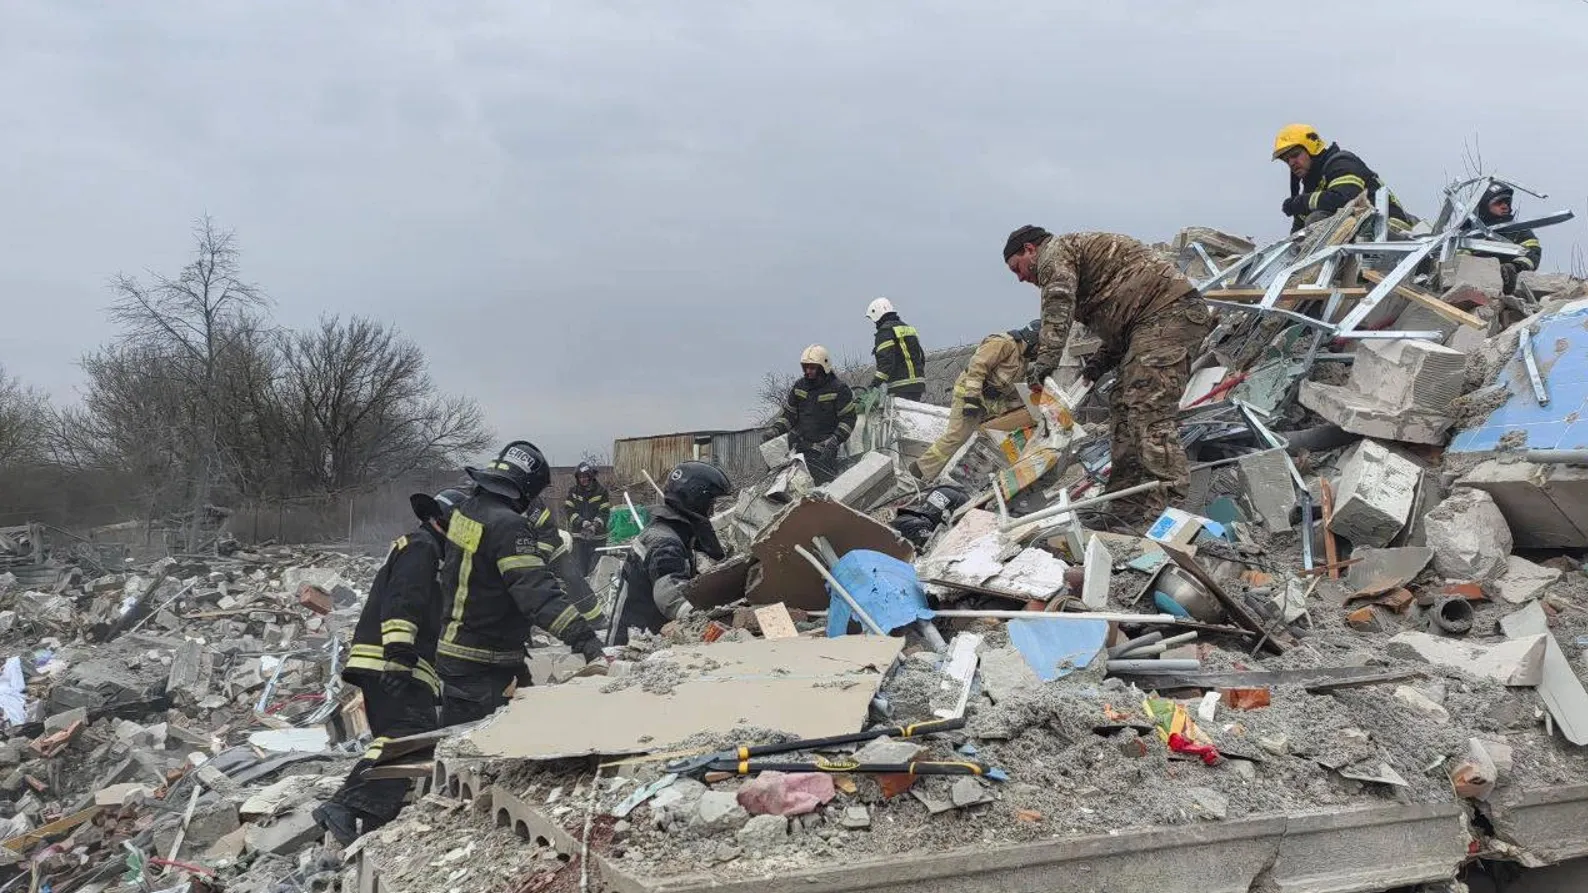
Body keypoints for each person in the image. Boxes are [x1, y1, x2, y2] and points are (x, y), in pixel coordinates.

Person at [1003, 226, 1213, 524]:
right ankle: (1126, 508)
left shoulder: (1054, 255)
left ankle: (1171, 515)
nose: (1021, 277)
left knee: (1146, 407)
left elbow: (1058, 305)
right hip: (1149, 322)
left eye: (1017, 268)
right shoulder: (1080, 261)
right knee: (1123, 409)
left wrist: (1045, 362)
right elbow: (1123, 321)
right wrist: (1098, 364)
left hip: (1169, 314)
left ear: (1030, 250)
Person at [313, 487, 466, 845]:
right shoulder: (422, 547)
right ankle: (346, 805)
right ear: (448, 522)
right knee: (409, 732)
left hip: (392, 662)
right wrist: (398, 655)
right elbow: (404, 600)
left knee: (402, 735)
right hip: (392, 661)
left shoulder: (427, 549)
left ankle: (369, 814)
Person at [435, 440, 607, 726]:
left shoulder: (468, 512)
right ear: (526, 487)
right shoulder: (508, 525)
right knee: (485, 755)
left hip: (460, 653)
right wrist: (586, 640)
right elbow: (538, 595)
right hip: (485, 663)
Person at [608, 461, 732, 645]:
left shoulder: (671, 531)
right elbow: (669, 595)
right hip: (632, 647)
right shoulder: (665, 542)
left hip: (645, 636)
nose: (711, 511)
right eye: (710, 503)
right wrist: (704, 622)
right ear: (697, 500)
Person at [910, 322, 1037, 482]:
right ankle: (920, 471)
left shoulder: (1021, 359)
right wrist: (971, 399)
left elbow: (1010, 390)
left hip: (990, 401)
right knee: (957, 435)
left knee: (994, 434)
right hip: (969, 393)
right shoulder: (1003, 343)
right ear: (1033, 340)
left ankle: (972, 476)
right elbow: (977, 367)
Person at [1272, 124, 1412, 233]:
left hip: (1392, 231)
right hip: (1364, 235)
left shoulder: (1341, 163)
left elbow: (1345, 199)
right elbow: (1298, 233)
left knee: (1317, 219)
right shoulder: (1313, 186)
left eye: (1295, 155)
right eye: (1286, 160)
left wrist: (1300, 202)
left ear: (1312, 148)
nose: (1291, 163)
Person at [761, 345, 857, 485]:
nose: (808, 371)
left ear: (823, 367)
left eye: (812, 368)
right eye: (806, 367)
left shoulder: (839, 389)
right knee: (782, 481)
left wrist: (835, 439)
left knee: (819, 488)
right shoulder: (799, 387)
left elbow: (849, 419)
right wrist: (775, 430)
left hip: (825, 450)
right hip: (799, 447)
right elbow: (789, 416)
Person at [1470, 181, 1542, 296]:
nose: (1505, 206)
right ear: (1484, 206)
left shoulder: (1519, 230)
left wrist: (1514, 268)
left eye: (1507, 203)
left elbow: (1533, 254)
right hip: (1473, 286)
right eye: (1498, 203)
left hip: (1511, 290)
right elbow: (1459, 259)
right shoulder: (1470, 234)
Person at [865, 298, 926, 402]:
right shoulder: (909, 329)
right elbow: (921, 357)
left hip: (899, 387)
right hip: (918, 386)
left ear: (876, 314)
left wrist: (874, 385)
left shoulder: (885, 332)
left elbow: (886, 363)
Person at [563, 461, 611, 577]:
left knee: (596, 570)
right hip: (579, 538)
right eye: (580, 477)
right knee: (580, 570)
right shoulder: (573, 492)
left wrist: (595, 525)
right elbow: (568, 510)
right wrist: (581, 522)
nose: (583, 479)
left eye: (585, 477)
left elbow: (604, 512)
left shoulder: (601, 491)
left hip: (598, 538)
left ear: (590, 477)